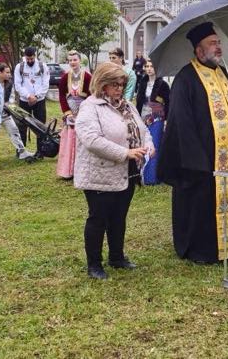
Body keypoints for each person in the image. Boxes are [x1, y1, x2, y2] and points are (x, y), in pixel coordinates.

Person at [158, 21, 228, 264]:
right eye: (212, 44)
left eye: (218, 43)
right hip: (201, 161)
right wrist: (197, 160)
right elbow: (180, 123)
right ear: (199, 50)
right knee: (202, 206)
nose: (218, 48)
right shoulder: (185, 78)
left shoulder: (224, 74)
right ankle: (205, 250)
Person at [74, 62, 154, 280]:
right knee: (98, 218)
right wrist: (125, 152)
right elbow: (92, 140)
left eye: (122, 84)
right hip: (99, 173)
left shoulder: (127, 105)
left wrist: (149, 145)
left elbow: (143, 129)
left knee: (119, 217)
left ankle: (117, 257)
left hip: (127, 172)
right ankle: (94, 265)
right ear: (102, 84)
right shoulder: (90, 107)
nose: (119, 89)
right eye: (114, 84)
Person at [56, 50, 92, 179]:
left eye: (75, 60)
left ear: (80, 61)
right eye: (70, 60)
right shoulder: (65, 77)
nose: (72, 62)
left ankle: (82, 170)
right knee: (70, 140)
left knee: (82, 141)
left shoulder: (87, 76)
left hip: (83, 112)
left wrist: (86, 112)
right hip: (71, 113)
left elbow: (91, 96)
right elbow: (61, 96)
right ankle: (68, 171)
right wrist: (67, 112)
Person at [134, 59, 169, 185]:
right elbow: (139, 101)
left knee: (155, 145)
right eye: (147, 66)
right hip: (144, 117)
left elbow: (168, 103)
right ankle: (144, 175)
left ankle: (153, 177)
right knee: (144, 144)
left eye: (151, 66)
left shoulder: (163, 84)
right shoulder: (142, 82)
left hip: (158, 118)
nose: (149, 69)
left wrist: (167, 120)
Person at [0, 63, 33, 160]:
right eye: (7, 72)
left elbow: (11, 98)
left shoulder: (9, 84)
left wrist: (9, 105)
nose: (9, 75)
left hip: (5, 114)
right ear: (0, 73)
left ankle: (22, 151)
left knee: (14, 130)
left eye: (9, 72)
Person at [14, 47, 49, 154]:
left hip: (39, 100)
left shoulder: (43, 66)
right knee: (22, 125)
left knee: (40, 126)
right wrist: (28, 95)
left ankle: (40, 151)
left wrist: (36, 96)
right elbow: (18, 85)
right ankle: (21, 151)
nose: (29, 61)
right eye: (27, 59)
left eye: (31, 58)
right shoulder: (19, 67)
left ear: (35, 56)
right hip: (25, 100)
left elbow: (45, 84)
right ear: (25, 57)